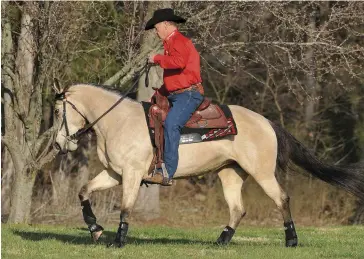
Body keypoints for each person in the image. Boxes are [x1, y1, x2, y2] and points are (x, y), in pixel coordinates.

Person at [144, 8, 204, 186]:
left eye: (156, 28)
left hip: (189, 94)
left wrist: (157, 58)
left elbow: (179, 62)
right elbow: (174, 80)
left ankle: (167, 172)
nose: (155, 31)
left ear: (165, 25)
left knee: (171, 123)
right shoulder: (170, 44)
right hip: (178, 93)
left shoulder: (178, 40)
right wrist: (158, 95)